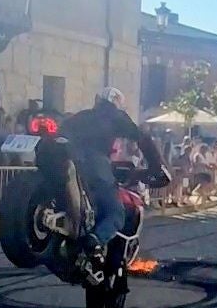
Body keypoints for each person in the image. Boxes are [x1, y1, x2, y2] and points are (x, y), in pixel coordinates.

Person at [60, 87, 166, 269]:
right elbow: (142, 139)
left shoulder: (82, 115)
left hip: (66, 158)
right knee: (116, 213)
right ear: (117, 103)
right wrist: (156, 165)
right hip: (93, 163)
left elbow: (62, 130)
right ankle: (95, 239)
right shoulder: (115, 116)